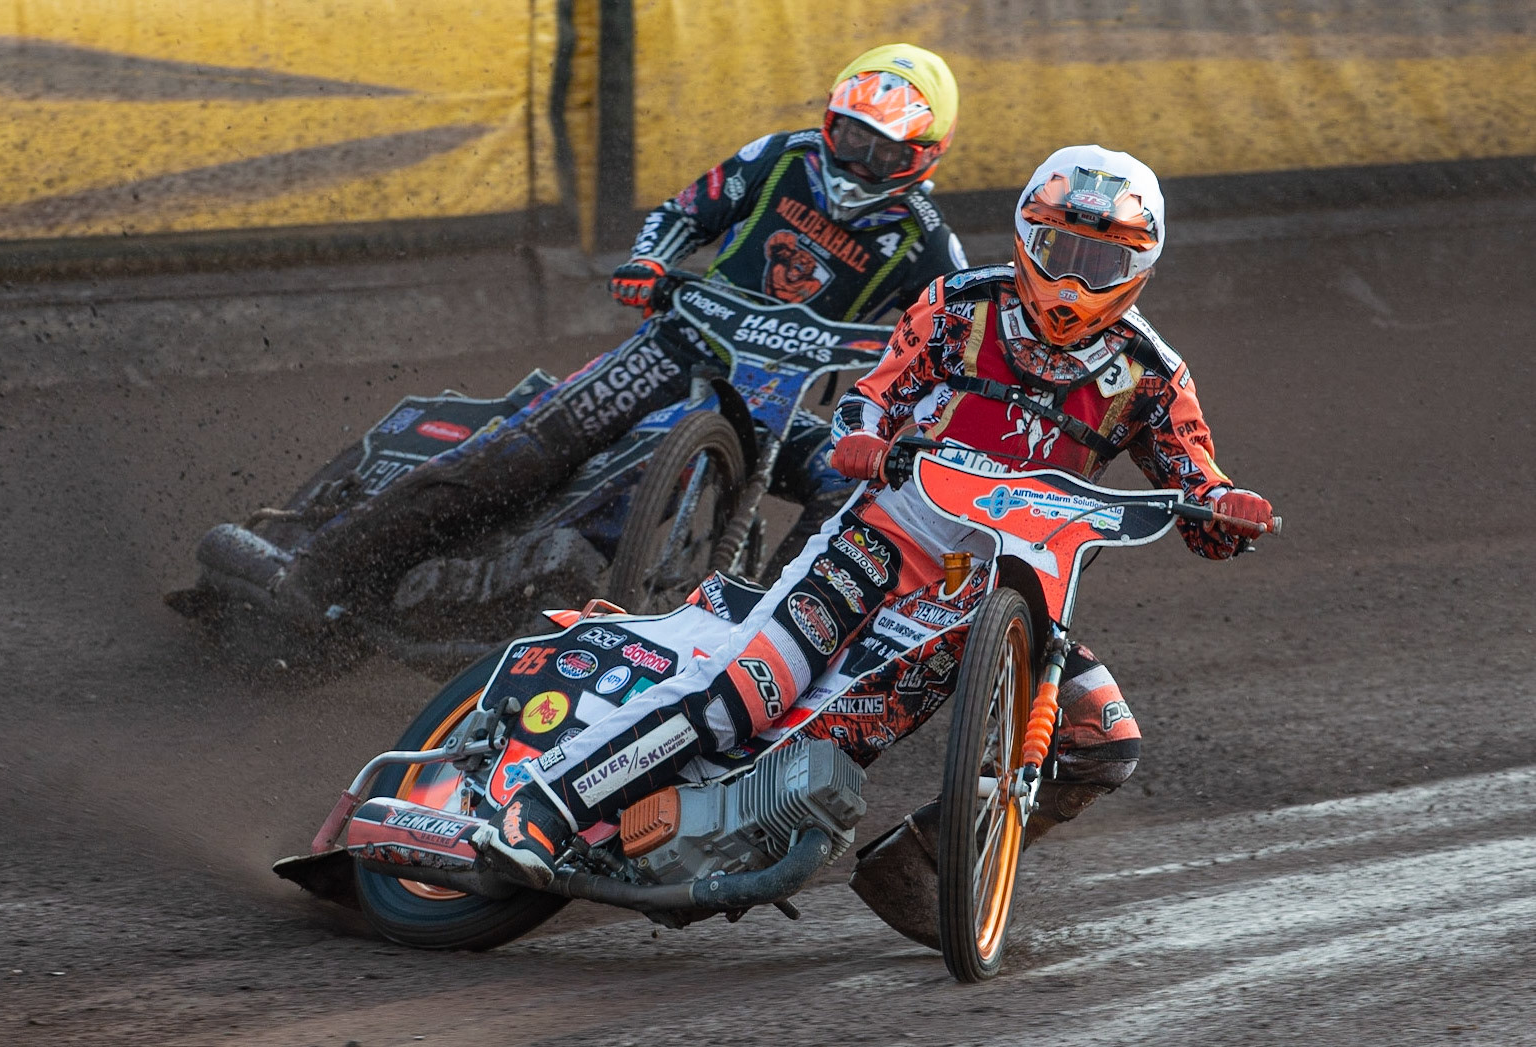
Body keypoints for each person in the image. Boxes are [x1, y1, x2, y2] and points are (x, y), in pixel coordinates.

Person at [475, 144, 1278, 890]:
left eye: (1099, 262)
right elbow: (872, 397)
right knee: (745, 695)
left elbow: (1198, 491)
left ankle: (924, 878)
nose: (1071, 280)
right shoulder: (960, 304)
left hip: (1009, 588)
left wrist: (1226, 509)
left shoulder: (1152, 374)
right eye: (1059, 250)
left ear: (1137, 267)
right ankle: (541, 806)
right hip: (887, 537)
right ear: (1026, 236)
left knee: (1103, 739)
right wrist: (862, 441)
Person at [272, 43, 969, 613]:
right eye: (851, 137)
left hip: (783, 405)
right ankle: (317, 569)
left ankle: (767, 627)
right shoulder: (780, 157)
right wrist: (649, 262)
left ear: (922, 156)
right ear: (830, 120)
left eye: (884, 154)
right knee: (524, 451)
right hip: (676, 348)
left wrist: (929, 409)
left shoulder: (928, 240)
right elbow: (684, 211)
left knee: (852, 485)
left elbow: (961, 341)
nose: (859, 162)